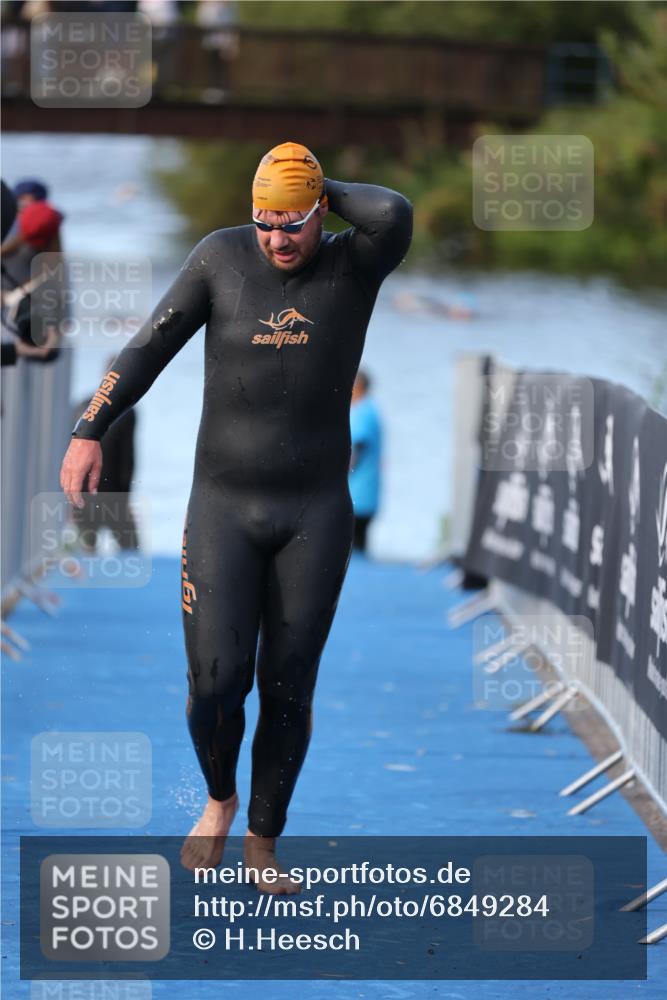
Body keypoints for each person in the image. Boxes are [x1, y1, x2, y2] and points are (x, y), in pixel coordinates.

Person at [59, 141, 412, 892]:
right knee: (216, 683)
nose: (276, 240)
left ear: (322, 210)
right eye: (263, 223)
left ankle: (262, 837)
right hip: (222, 508)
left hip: (313, 514)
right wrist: (90, 428)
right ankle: (219, 799)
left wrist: (318, 183)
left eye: (292, 223)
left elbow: (395, 211)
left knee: (289, 686)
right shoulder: (220, 259)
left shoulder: (355, 264)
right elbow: (146, 348)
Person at [70, 358, 140, 552]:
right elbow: (127, 460)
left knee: (85, 552)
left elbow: (68, 456)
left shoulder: (81, 406)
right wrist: (126, 498)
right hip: (113, 495)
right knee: (131, 550)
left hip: (83, 493)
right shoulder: (127, 412)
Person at [349, 369, 382, 553]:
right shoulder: (371, 409)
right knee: (359, 547)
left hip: (357, 496)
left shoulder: (362, 413)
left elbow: (356, 449)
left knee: (353, 550)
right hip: (366, 495)